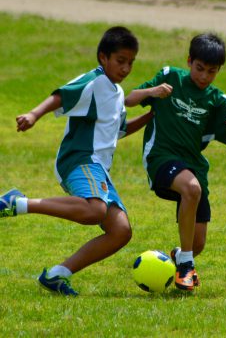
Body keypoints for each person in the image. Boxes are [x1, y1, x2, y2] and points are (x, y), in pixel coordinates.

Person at [0, 26, 152, 296]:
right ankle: (18, 203)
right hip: (80, 158)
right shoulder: (94, 82)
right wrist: (34, 115)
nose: (126, 68)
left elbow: (120, 130)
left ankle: (57, 275)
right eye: (120, 61)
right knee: (94, 211)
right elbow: (62, 95)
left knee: (121, 231)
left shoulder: (116, 93)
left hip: (99, 169)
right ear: (103, 57)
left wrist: (152, 116)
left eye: (131, 62)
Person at [125, 32, 226, 291]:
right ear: (189, 61)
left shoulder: (216, 99)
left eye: (212, 71)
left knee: (197, 245)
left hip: (194, 167)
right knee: (191, 188)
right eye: (199, 68)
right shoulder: (170, 77)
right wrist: (154, 91)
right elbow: (128, 99)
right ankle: (185, 266)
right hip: (161, 157)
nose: (204, 76)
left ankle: (180, 257)